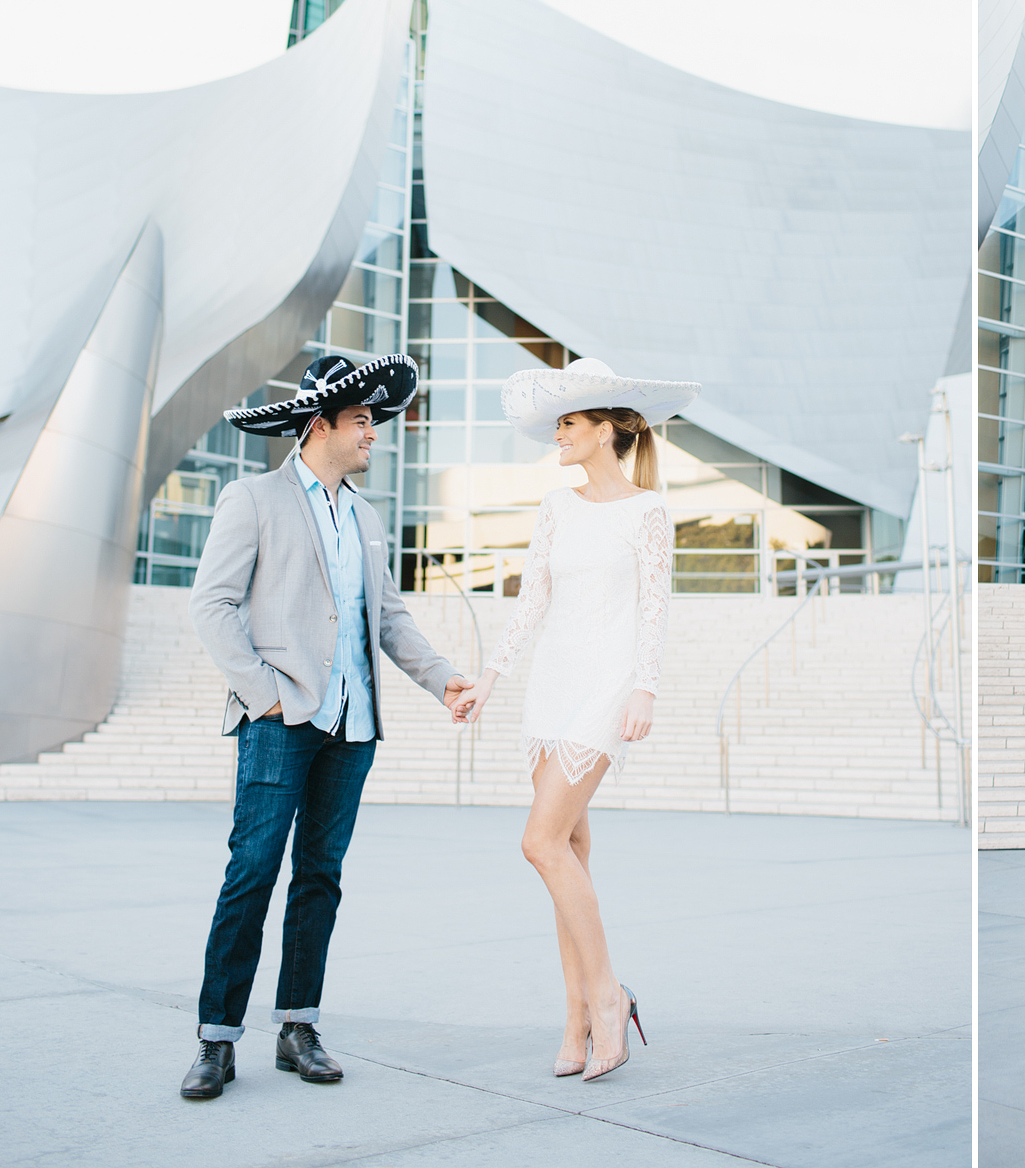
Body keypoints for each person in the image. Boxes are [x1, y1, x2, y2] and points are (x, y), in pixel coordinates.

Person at [180, 354, 474, 1100]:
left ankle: (298, 1027)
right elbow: (211, 606)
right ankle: (217, 1039)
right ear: (321, 427)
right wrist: (264, 695)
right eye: (363, 422)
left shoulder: (368, 517)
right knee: (251, 874)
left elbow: (391, 619)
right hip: (281, 723)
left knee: (321, 878)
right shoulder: (253, 499)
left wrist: (444, 679)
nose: (374, 434)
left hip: (354, 729)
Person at [452, 357, 699, 1081]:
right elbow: (532, 599)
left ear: (606, 430)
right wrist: (491, 678)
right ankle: (576, 1019)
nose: (558, 435)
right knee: (569, 853)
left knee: (539, 841)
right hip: (550, 687)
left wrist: (645, 688)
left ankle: (608, 997)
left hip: (606, 687)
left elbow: (655, 605)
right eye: (558, 423)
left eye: (569, 423)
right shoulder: (555, 507)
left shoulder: (648, 510)